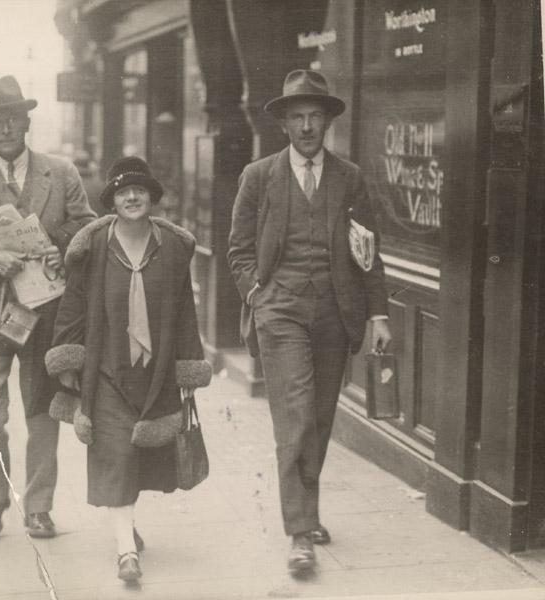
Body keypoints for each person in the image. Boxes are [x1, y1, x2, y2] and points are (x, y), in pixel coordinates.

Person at [227, 70, 392, 574]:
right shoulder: (259, 177)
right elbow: (237, 251)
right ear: (283, 124)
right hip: (279, 312)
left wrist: (379, 312)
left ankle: (309, 510)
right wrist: (258, 292)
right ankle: (300, 532)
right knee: (295, 417)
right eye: (297, 117)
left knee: (319, 417)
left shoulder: (350, 177)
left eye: (314, 117)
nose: (306, 126)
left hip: (336, 314)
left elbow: (368, 252)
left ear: (327, 122)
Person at [45, 156, 212, 581]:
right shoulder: (96, 246)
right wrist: (68, 356)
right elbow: (75, 302)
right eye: (122, 192)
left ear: (152, 198)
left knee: (138, 460)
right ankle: (125, 552)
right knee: (115, 455)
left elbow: (185, 312)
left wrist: (188, 372)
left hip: (153, 375)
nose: (132, 197)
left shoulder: (171, 247)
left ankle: (127, 525)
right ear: (113, 201)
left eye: (139, 190)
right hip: (106, 368)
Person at [0, 75, 95, 543]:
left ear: (27, 122)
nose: (5, 128)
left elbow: (88, 228)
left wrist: (60, 246)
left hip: (46, 313)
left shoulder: (62, 173)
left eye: (12, 118)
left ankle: (38, 508)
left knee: (42, 414)